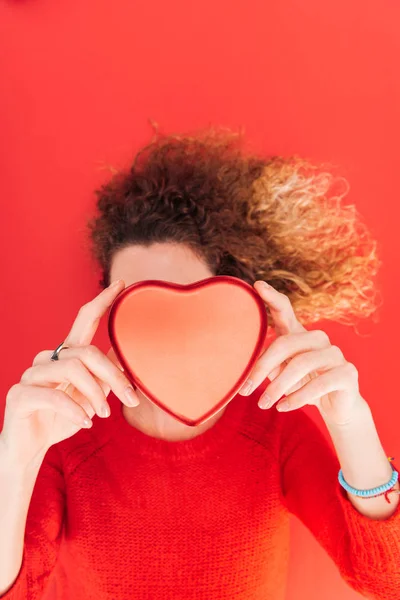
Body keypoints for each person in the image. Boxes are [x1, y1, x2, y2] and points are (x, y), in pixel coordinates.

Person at [0, 125, 397, 600]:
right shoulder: (63, 436)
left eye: (188, 303)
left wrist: (351, 422)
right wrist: (14, 459)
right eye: (139, 305)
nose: (168, 332)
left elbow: (386, 579)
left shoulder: (275, 430)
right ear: (106, 314)